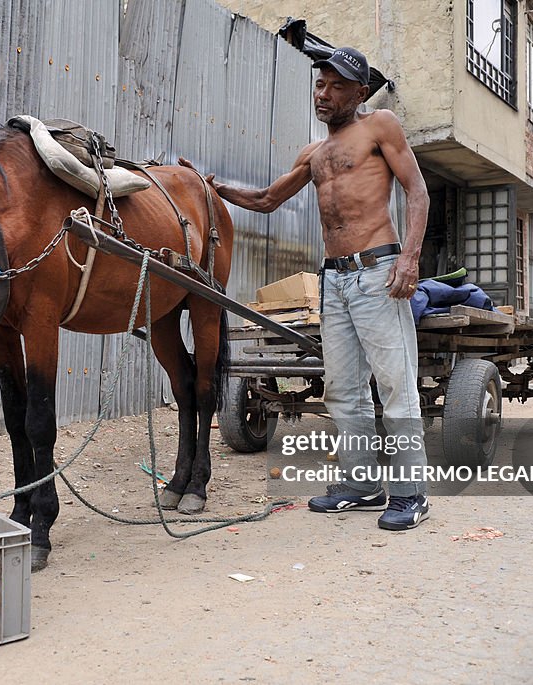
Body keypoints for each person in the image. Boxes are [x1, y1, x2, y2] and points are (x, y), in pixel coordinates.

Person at [181, 47, 431, 530]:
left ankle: (410, 493)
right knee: (343, 389)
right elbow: (268, 199)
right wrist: (212, 188)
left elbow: (416, 190)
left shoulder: (380, 125)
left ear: (359, 93)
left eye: (337, 86)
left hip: (378, 271)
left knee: (395, 384)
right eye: (320, 84)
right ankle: (361, 486)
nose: (324, 93)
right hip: (334, 279)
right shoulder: (313, 154)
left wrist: (410, 258)